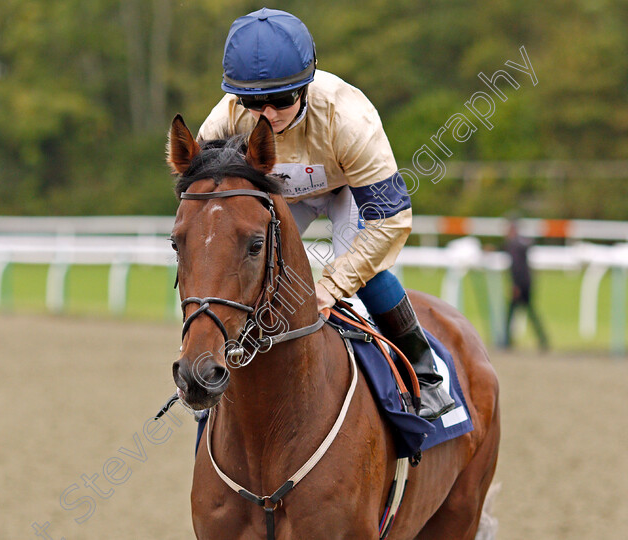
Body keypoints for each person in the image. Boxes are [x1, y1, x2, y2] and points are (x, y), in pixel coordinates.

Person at [197, 8, 454, 420]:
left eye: (281, 99)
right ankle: (217, 366)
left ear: (306, 84)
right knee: (245, 263)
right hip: (279, 194)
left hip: (343, 190)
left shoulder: (349, 120)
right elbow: (209, 211)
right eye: (252, 102)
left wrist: (330, 286)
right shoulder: (222, 123)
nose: (267, 114)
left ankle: (423, 372)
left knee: (361, 268)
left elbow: (390, 220)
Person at [503, 217, 549, 350]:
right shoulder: (521, 242)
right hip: (527, 283)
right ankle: (542, 339)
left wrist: (515, 285)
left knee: (512, 313)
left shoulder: (513, 244)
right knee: (529, 313)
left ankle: (506, 341)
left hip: (520, 284)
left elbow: (517, 267)